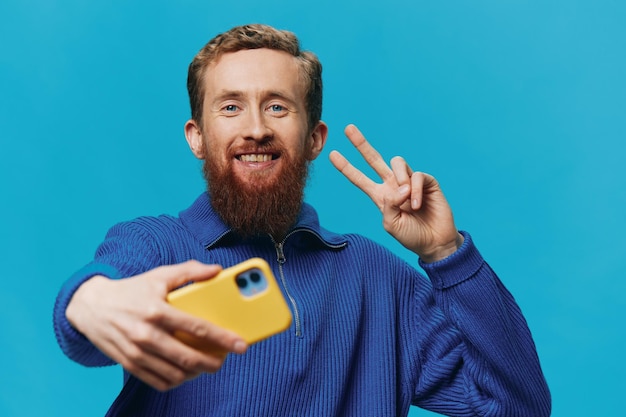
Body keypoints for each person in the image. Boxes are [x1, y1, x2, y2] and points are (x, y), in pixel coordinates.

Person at [53, 23, 551, 416]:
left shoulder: (379, 278)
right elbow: (88, 314)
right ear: (196, 137)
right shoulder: (156, 243)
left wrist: (446, 254)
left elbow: (517, 408)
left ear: (313, 137)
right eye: (230, 107)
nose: (255, 129)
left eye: (276, 106)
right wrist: (92, 302)